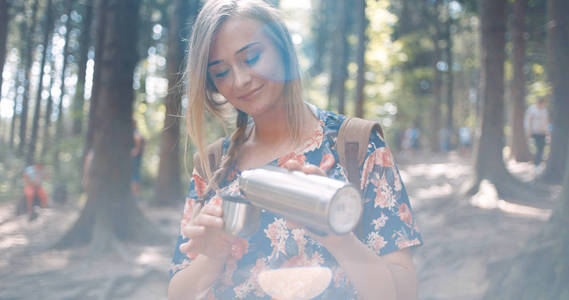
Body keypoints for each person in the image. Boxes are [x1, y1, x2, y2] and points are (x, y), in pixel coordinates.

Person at [168, 1, 422, 299]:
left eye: (251, 57)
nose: (240, 80)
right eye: (221, 72)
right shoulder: (212, 166)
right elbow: (177, 292)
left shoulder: (357, 146)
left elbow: (404, 293)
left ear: (283, 47)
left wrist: (338, 237)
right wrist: (211, 259)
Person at [524, 98, 549, 167]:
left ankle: (539, 163)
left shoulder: (544, 110)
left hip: (542, 133)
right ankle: (536, 164)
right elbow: (528, 122)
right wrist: (528, 132)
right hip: (535, 133)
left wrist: (548, 132)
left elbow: (546, 122)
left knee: (542, 147)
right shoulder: (532, 110)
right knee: (537, 148)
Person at [130, 120, 145, 198]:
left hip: (134, 158)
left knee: (134, 177)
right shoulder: (136, 131)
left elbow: (138, 138)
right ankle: (136, 196)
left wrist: (136, 149)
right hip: (136, 158)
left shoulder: (134, 131)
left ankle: (134, 196)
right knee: (135, 176)